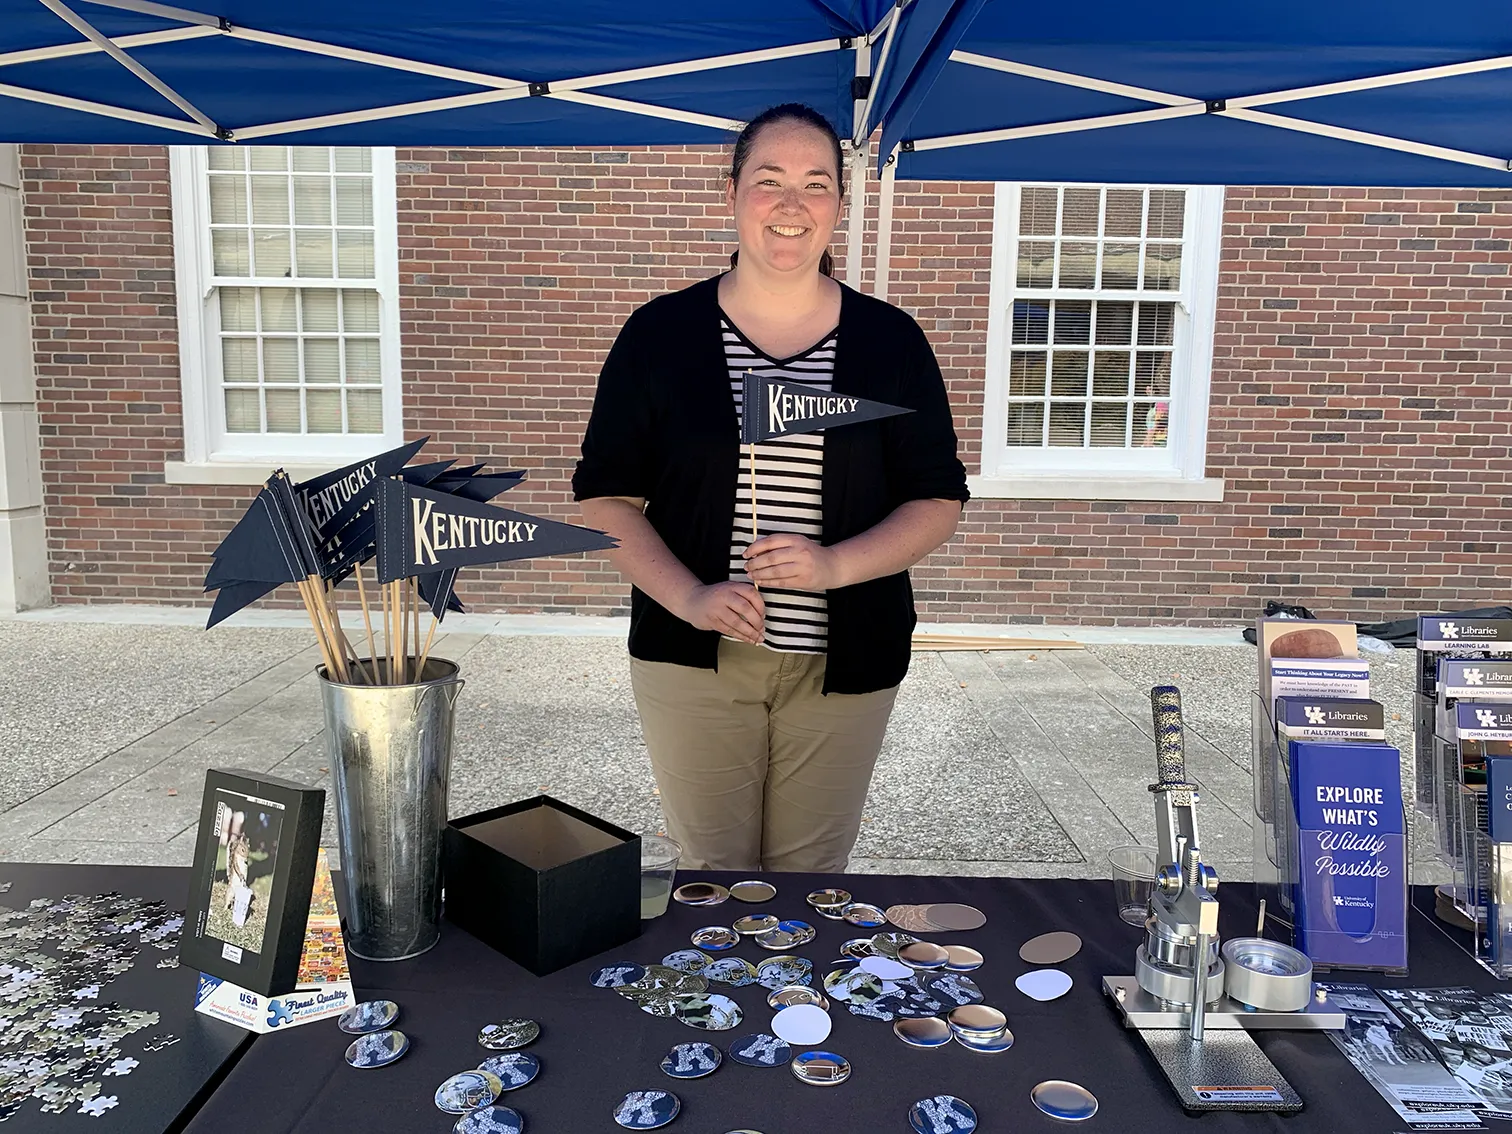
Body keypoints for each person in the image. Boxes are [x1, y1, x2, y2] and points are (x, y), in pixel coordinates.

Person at [574, 103, 968, 872]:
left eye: (817, 184)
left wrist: (832, 568)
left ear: (840, 208)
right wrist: (688, 596)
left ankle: (795, 1001)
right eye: (770, 181)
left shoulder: (892, 343)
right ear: (731, 194)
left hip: (845, 662)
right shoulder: (659, 337)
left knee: (808, 883)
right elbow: (605, 498)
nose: (793, 205)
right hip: (693, 657)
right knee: (714, 879)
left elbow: (938, 500)